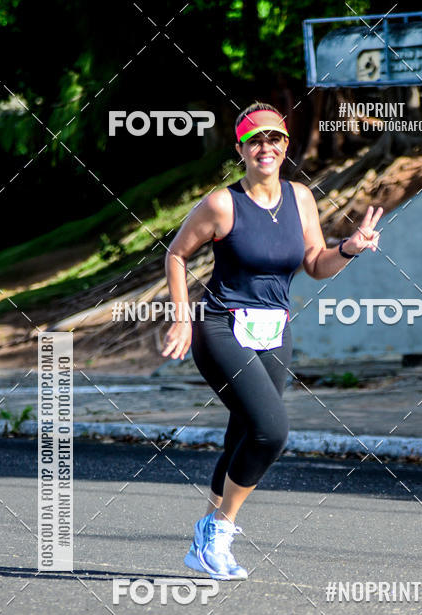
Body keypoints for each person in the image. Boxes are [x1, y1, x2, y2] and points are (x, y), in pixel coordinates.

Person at [162, 101, 382, 580]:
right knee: (271, 430)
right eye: (255, 139)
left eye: (274, 139)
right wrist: (182, 319)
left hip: (274, 328)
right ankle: (218, 530)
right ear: (241, 147)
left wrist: (348, 248)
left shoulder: (300, 197)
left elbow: (314, 263)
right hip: (220, 325)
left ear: (286, 146)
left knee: (243, 432)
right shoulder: (223, 203)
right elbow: (176, 255)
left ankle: (207, 541)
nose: (266, 147)